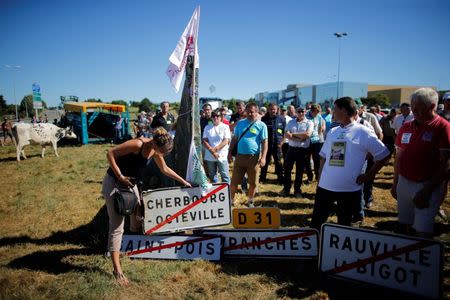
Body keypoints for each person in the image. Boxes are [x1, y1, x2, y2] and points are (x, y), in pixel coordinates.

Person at [102, 127, 191, 285]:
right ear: (156, 145)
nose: (161, 155)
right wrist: (121, 177)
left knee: (139, 215)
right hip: (114, 182)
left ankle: (127, 246)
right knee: (117, 226)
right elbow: (110, 153)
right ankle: (117, 270)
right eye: (161, 152)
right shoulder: (137, 144)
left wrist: (183, 181)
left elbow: (165, 169)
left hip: (131, 184)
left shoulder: (155, 150)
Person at [310, 97, 390, 230]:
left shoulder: (363, 131)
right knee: (316, 223)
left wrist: (368, 175)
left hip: (348, 189)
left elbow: (384, 154)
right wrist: (320, 177)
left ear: (344, 111)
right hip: (326, 186)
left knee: (344, 225)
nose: (333, 113)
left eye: (335, 109)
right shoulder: (333, 131)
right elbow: (323, 156)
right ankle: (314, 248)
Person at [391, 88, 450, 237]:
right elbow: (399, 156)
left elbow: (446, 165)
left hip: (427, 185)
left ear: (432, 107)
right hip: (404, 181)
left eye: (419, 107)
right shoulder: (406, 127)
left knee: (422, 230)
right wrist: (396, 182)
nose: (414, 110)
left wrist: (426, 191)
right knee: (405, 225)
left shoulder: (443, 127)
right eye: (413, 106)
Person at [228, 103, 268, 207]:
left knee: (253, 183)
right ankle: (231, 202)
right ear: (246, 111)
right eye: (248, 111)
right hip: (239, 157)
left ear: (257, 112)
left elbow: (265, 142)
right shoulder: (240, 123)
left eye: (253, 111)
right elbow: (234, 139)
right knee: (233, 183)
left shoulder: (261, 125)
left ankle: (250, 201)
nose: (250, 113)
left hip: (253, 158)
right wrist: (229, 153)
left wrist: (263, 157)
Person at [282, 106, 313, 197]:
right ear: (296, 112)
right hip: (291, 149)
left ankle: (297, 190)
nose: (301, 113)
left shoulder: (309, 122)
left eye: (302, 111)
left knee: (299, 171)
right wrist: (300, 138)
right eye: (299, 111)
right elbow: (286, 134)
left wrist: (293, 135)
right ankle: (286, 189)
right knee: (287, 169)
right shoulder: (291, 122)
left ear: (305, 112)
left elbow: (307, 135)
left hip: (302, 150)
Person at [202, 109, 231, 183]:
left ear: (221, 117)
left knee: (225, 175)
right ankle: (215, 192)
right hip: (210, 155)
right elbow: (205, 140)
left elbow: (226, 140)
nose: (215, 117)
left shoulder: (225, 127)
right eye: (213, 116)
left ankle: (227, 193)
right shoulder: (207, 127)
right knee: (212, 176)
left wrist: (216, 149)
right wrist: (212, 151)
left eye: (217, 116)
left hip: (222, 155)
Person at [260, 103, 285, 184]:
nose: (273, 111)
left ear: (277, 109)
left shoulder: (281, 119)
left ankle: (280, 179)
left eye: (274, 109)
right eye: (271, 109)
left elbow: (284, 132)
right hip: (267, 144)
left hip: (277, 144)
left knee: (278, 162)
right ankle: (262, 178)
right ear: (268, 109)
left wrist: (282, 143)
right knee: (265, 161)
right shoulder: (264, 119)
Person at [305, 104, 325, 182]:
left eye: (318, 112)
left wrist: (322, 129)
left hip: (317, 141)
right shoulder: (306, 116)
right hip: (308, 140)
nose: (317, 114)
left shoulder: (319, 116)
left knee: (317, 159)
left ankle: (317, 176)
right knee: (306, 159)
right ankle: (309, 176)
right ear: (312, 111)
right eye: (316, 112)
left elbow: (322, 125)